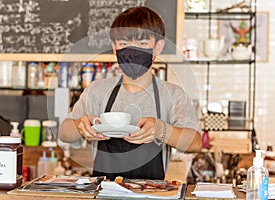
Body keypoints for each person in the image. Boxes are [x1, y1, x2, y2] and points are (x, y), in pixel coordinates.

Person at [59, 6, 202, 180]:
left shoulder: (173, 94)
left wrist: (160, 129)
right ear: (114, 48)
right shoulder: (98, 90)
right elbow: (64, 133)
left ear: (158, 47)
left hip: (151, 194)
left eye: (142, 44)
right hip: (103, 194)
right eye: (124, 44)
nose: (133, 51)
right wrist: (80, 126)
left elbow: (194, 143)